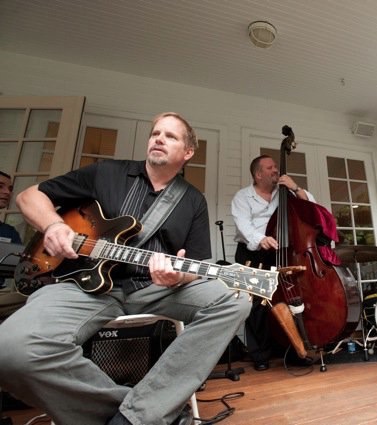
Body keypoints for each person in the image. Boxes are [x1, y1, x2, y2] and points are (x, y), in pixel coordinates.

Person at [0, 112, 251, 425]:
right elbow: (29, 196)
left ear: (187, 153)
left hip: (153, 288)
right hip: (79, 284)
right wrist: (52, 226)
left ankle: (136, 415)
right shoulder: (106, 172)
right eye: (155, 133)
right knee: (10, 351)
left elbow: (197, 266)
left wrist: (177, 274)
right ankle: (144, 414)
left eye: (170, 136)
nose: (159, 138)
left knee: (235, 299)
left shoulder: (192, 201)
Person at [231, 154, 313, 371]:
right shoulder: (242, 197)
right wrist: (261, 238)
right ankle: (260, 355)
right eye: (270, 167)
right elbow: (243, 226)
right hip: (253, 253)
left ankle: (291, 349)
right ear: (258, 174)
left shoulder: (284, 193)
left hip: (282, 251)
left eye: (276, 167)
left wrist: (295, 188)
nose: (276, 170)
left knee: (287, 300)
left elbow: (311, 207)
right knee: (256, 304)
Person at [0, 170, 25, 319]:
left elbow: (22, 266)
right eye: (0, 186)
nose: (7, 193)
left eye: (9, 189)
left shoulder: (9, 232)